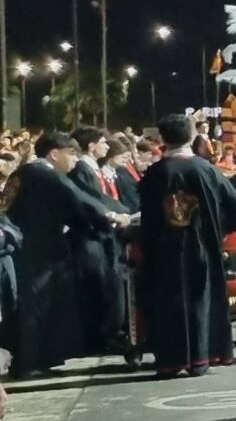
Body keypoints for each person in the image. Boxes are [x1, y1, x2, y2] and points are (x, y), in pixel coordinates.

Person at [0, 132, 135, 377]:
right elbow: (78, 200)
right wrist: (111, 216)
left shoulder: (24, 173)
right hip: (39, 250)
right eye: (71, 154)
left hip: (22, 248)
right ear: (54, 153)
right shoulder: (45, 174)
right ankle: (30, 362)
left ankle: (30, 359)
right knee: (37, 305)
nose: (75, 160)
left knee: (27, 305)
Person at [134, 114, 236, 377]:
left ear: (162, 138)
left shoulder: (154, 173)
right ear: (191, 136)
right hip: (202, 245)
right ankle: (201, 357)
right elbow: (235, 206)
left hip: (164, 249)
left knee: (169, 302)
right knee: (201, 298)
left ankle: (171, 360)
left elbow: (146, 215)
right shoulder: (206, 169)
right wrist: (231, 228)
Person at [65, 124, 130, 360]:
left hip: (102, 236)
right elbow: (93, 201)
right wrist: (119, 213)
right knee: (97, 289)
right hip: (90, 237)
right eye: (103, 142)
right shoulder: (82, 169)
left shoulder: (92, 169)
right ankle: (101, 338)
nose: (106, 146)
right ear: (92, 146)